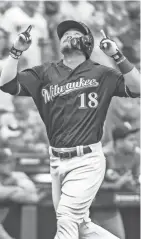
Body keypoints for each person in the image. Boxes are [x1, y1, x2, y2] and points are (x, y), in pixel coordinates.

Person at [0, 20, 140, 239]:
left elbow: (137, 87)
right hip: (56, 161)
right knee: (82, 227)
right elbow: (6, 83)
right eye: (63, 34)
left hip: (86, 159)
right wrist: (16, 50)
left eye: (73, 33)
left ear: (86, 42)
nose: (66, 36)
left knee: (66, 219)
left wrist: (117, 56)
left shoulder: (101, 73)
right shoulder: (45, 72)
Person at [92, 122, 140, 239]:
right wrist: (117, 184)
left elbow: (136, 179)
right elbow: (90, 185)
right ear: (119, 142)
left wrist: (132, 183)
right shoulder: (102, 156)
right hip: (90, 209)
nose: (135, 143)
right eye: (131, 140)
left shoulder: (136, 156)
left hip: (110, 209)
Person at [0, 148, 38, 239]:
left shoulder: (18, 176)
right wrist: (16, 189)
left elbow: (33, 197)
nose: (11, 165)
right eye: (6, 162)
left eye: (12, 162)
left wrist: (15, 182)